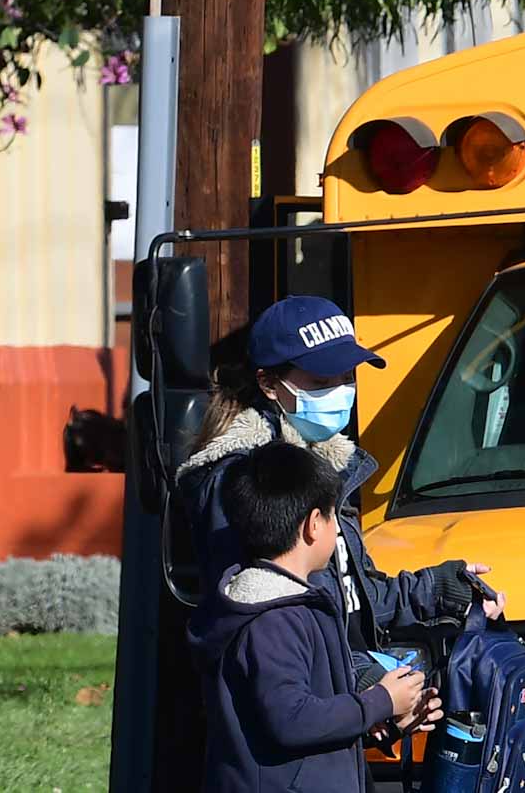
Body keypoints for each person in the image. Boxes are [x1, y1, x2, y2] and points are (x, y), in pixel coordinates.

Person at [176, 296, 506, 709]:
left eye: (348, 377)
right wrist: (364, 683)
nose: (340, 391)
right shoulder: (244, 483)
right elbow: (261, 627)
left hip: (346, 712)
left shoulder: (327, 462)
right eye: (321, 381)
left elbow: (355, 595)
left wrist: (444, 588)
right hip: (298, 730)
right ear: (268, 384)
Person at [188, 441, 442, 793]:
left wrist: (385, 720)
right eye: (333, 515)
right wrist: (379, 700)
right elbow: (291, 720)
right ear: (312, 525)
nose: (337, 528)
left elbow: (308, 726)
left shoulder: (291, 607)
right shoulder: (273, 619)